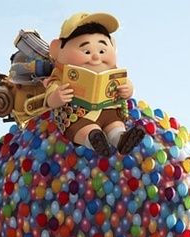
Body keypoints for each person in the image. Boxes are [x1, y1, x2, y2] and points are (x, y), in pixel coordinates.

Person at [43, 12, 145, 157]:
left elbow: (126, 84)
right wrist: (55, 97)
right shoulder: (60, 74)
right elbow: (51, 91)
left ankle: (120, 139)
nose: (96, 56)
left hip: (109, 110)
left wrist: (128, 89)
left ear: (113, 46)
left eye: (102, 50)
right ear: (57, 49)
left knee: (115, 125)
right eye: (86, 51)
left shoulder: (114, 72)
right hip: (77, 115)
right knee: (83, 127)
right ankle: (94, 140)